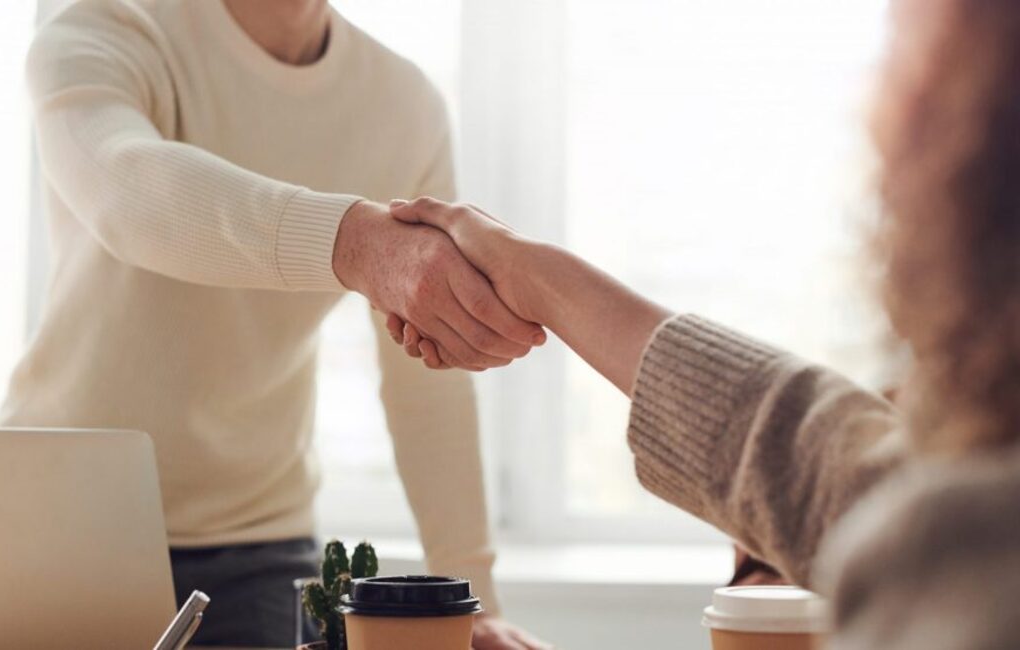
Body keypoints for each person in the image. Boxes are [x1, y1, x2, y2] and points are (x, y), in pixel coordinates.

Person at [384, 0, 1020, 646]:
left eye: (907, 52)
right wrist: (543, 281)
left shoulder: (966, 566)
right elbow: (835, 469)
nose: (877, 107)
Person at [2, 0, 549, 647]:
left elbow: (426, 380)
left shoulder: (402, 104)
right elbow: (128, 193)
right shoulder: (106, 24)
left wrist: (471, 600)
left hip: (257, 545)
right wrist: (353, 244)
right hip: (52, 523)